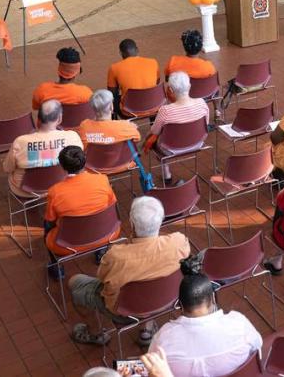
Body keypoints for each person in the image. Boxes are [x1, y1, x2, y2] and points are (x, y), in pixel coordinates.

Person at [68, 196, 190, 346]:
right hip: (167, 300)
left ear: (131, 224)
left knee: (75, 284)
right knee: (151, 282)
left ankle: (95, 333)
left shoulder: (115, 256)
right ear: (162, 220)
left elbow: (102, 278)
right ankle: (147, 329)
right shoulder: (179, 242)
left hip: (124, 310)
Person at [149, 255, 262, 376]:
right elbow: (258, 350)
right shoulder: (239, 324)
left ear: (180, 305)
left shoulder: (164, 339)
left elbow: (152, 367)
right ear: (213, 298)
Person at [44, 146, 118, 277]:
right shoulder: (102, 179)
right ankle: (100, 253)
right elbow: (111, 204)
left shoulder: (55, 191)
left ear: (62, 166)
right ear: (85, 160)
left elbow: (50, 220)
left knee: (46, 226)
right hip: (106, 234)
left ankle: (57, 269)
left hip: (67, 244)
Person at [4, 100, 82, 198]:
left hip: (24, 191)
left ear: (38, 119)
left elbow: (7, 168)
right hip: (61, 185)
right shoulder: (73, 137)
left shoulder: (20, 142)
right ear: (59, 119)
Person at [149, 72, 210, 185]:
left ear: (170, 90)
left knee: (154, 141)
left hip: (170, 149)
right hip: (197, 143)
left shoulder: (165, 110)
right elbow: (205, 125)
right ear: (190, 86)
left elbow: (154, 131)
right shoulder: (202, 103)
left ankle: (166, 174)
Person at [107, 38, 159, 114]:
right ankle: (154, 123)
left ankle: (118, 125)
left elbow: (111, 93)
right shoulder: (153, 62)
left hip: (129, 110)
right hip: (153, 106)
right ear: (137, 49)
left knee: (111, 99)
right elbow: (156, 84)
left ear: (121, 53)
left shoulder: (114, 68)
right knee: (151, 93)